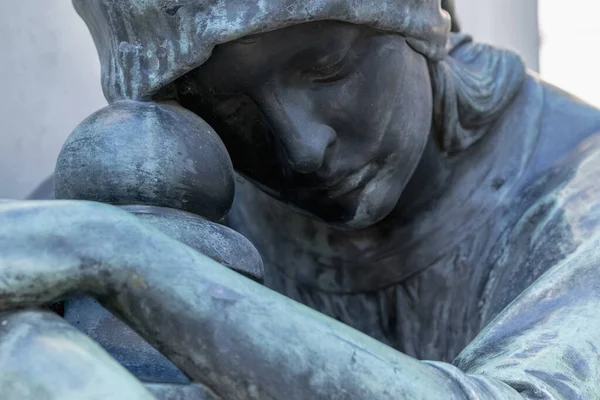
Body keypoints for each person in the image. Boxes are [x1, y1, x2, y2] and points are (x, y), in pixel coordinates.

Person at [6, 0, 600, 398]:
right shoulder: (159, 182)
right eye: (229, 108)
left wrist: (126, 262)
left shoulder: (579, 191)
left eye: (326, 67)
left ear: (425, 21)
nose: (302, 148)